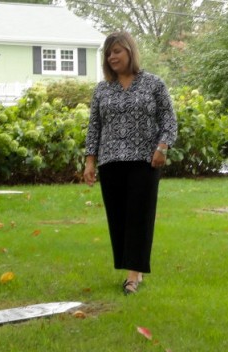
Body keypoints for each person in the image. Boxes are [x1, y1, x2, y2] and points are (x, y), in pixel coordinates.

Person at [83, 31, 178, 295]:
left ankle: (133, 276)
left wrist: (162, 147)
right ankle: (131, 268)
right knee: (119, 218)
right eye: (108, 53)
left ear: (130, 52)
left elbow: (169, 120)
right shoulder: (102, 89)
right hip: (110, 161)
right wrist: (90, 162)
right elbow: (94, 127)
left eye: (117, 51)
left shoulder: (153, 84)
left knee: (139, 216)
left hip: (143, 161)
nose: (112, 56)